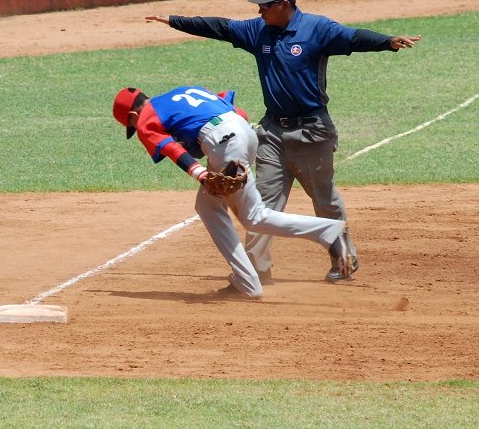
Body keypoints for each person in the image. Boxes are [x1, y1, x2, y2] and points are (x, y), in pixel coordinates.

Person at [145, 0, 421, 283]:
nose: (260, 11)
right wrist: (173, 21)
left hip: (312, 132)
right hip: (272, 134)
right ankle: (257, 270)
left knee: (324, 199)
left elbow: (353, 38)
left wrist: (387, 41)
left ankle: (343, 256)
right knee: (261, 202)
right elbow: (220, 27)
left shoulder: (317, 28)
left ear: (285, 5)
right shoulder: (257, 31)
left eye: (265, 5)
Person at [113, 84, 354, 298]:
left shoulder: (145, 117)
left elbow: (170, 148)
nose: (136, 127)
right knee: (207, 205)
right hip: (244, 133)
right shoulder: (182, 92)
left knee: (254, 217)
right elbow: (236, 111)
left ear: (133, 114)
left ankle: (328, 231)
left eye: (131, 124)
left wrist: (200, 174)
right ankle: (245, 280)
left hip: (223, 144)